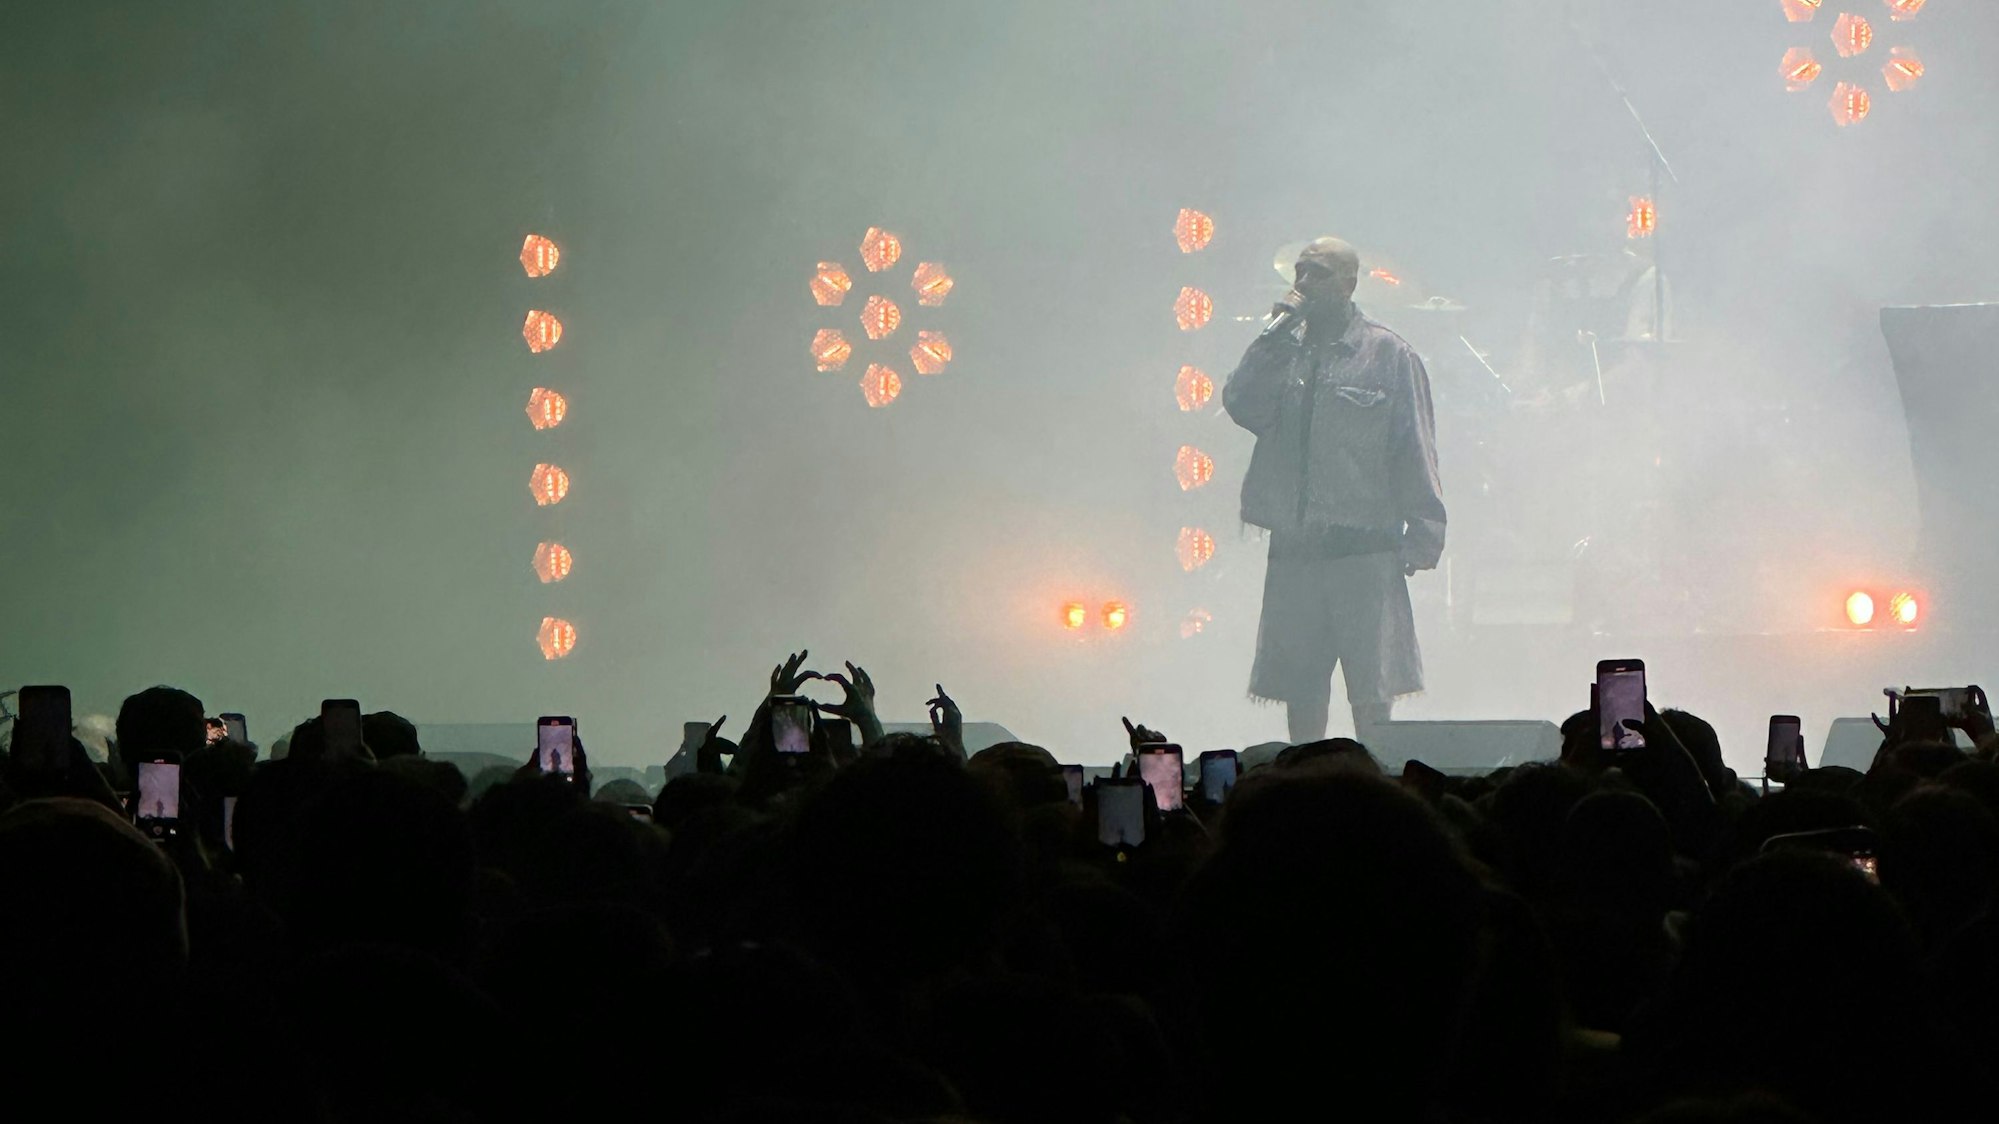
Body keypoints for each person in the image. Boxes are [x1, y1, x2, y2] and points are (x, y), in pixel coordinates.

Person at [1223, 236, 1447, 742]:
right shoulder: (1283, 353)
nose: (1303, 284)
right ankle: (1309, 779)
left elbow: (1415, 443)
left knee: (1371, 688)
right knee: (1302, 691)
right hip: (1296, 551)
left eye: (1318, 273)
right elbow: (1241, 405)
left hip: (1363, 550)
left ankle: (1377, 778)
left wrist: (1425, 532)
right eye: (1299, 273)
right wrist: (1269, 340)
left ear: (1349, 283)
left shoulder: (1388, 354)